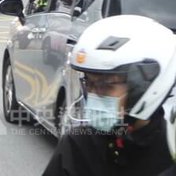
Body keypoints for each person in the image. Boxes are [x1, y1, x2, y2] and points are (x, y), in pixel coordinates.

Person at [43, 15, 176, 176]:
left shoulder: (170, 152)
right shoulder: (78, 145)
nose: (93, 95)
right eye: (89, 83)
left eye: (106, 85)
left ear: (145, 85)